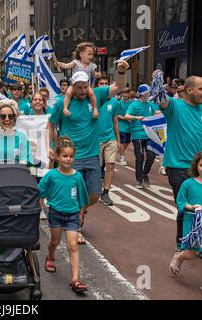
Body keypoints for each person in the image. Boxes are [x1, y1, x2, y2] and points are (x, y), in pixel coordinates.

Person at [48, 61, 129, 245]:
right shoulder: (63, 103)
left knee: (94, 193)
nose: (83, 91)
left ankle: (78, 211)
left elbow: (119, 86)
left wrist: (121, 71)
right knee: (73, 192)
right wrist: (52, 146)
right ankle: (75, 228)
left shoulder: (97, 95)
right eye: (79, 88)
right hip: (71, 157)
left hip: (92, 154)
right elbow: (51, 124)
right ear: (72, 87)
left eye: (86, 87)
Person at [156, 74, 202, 251]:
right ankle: (183, 241)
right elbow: (161, 99)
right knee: (187, 205)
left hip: (201, 168)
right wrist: (158, 83)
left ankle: (199, 240)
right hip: (177, 166)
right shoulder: (175, 106)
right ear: (188, 90)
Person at [38, 137, 89, 294]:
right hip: (55, 214)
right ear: (58, 157)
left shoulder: (77, 177)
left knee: (72, 245)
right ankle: (50, 256)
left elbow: (82, 199)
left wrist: (81, 214)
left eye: (71, 156)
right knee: (54, 241)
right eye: (65, 156)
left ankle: (75, 279)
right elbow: (40, 191)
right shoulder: (51, 175)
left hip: (72, 215)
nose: (68, 159)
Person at [169, 151, 202, 298]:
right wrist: (193, 207)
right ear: (196, 166)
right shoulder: (188, 184)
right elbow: (181, 202)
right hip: (193, 224)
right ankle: (179, 257)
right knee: (190, 254)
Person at [124, 84, 160, 188]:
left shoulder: (149, 104)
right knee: (139, 157)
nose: (149, 93)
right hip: (137, 134)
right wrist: (136, 117)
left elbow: (156, 112)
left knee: (152, 155)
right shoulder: (134, 105)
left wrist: (164, 113)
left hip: (149, 134)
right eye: (148, 92)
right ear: (143, 94)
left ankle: (145, 173)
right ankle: (139, 179)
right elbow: (127, 116)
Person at [55, 42, 101, 118]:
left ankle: (95, 108)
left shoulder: (92, 65)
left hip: (86, 85)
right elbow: (66, 66)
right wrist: (60, 64)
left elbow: (94, 74)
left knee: (92, 94)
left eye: (92, 55)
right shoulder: (76, 62)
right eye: (89, 54)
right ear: (81, 54)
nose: (91, 56)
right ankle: (65, 108)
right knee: (68, 93)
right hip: (75, 84)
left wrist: (97, 75)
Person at [97, 77, 121, 206]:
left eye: (106, 84)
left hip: (110, 138)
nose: (104, 86)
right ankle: (91, 192)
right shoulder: (93, 100)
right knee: (95, 168)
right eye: (101, 84)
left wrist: (118, 140)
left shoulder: (114, 102)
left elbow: (115, 121)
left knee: (110, 165)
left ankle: (105, 193)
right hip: (95, 140)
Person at [115, 88, 133, 166]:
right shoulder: (119, 103)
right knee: (122, 142)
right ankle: (122, 157)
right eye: (124, 93)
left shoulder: (132, 103)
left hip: (129, 127)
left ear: (129, 94)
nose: (125, 95)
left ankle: (120, 151)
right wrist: (125, 118)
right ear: (122, 94)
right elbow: (117, 115)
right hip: (121, 126)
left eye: (127, 93)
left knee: (127, 142)